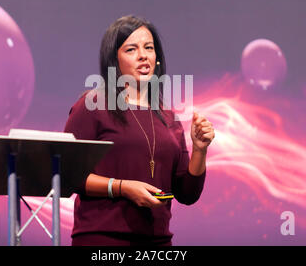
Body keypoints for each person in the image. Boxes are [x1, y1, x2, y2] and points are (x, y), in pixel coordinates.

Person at [64, 15, 215, 246]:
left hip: (158, 242)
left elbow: (187, 193)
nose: (143, 55)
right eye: (131, 49)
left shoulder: (168, 117)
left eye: (149, 48)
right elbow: (68, 176)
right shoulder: (93, 105)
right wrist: (122, 188)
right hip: (104, 239)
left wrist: (199, 150)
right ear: (115, 60)